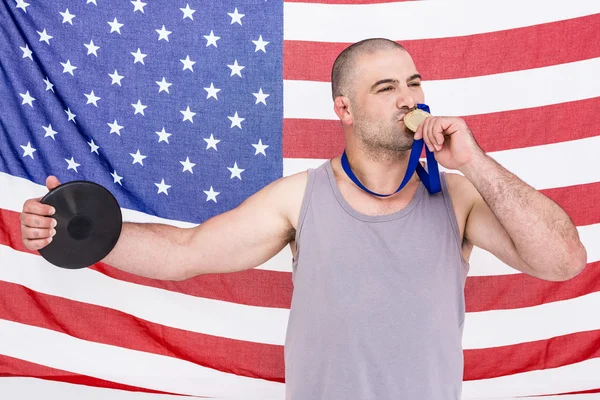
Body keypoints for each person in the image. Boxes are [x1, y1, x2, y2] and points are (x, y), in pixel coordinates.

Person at [20, 38, 587, 399]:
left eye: (413, 83)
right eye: (386, 87)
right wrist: (81, 231)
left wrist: (475, 162)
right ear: (343, 109)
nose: (410, 99)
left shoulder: (458, 197)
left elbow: (564, 263)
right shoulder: (298, 199)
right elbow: (185, 253)